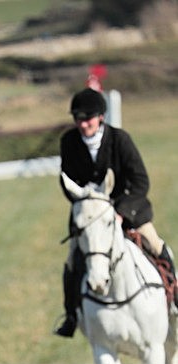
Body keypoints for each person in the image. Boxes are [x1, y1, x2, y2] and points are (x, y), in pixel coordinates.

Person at [55, 87, 177, 337]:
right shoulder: (68, 142)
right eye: (78, 118)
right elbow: (66, 181)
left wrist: (120, 211)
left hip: (127, 211)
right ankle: (71, 315)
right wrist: (87, 201)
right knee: (71, 262)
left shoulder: (120, 139)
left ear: (100, 117)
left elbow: (141, 181)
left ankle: (175, 298)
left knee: (156, 245)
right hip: (91, 217)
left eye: (87, 118)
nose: (82, 123)